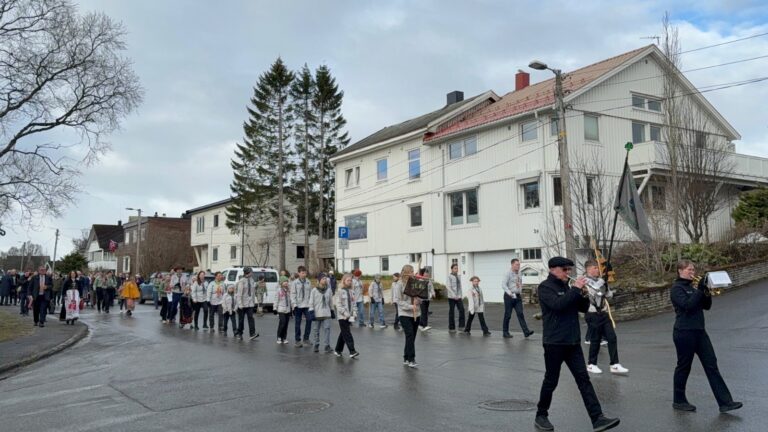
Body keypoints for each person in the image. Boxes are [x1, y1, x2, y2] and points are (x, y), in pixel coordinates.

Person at [534, 256, 619, 432]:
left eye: (569, 270)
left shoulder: (568, 287)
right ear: (553, 269)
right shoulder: (545, 287)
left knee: (584, 380)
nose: (568, 273)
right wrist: (575, 290)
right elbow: (558, 305)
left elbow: (582, 307)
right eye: (565, 270)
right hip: (554, 342)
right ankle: (541, 415)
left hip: (572, 341)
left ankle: (597, 418)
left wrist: (591, 294)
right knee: (551, 380)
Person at [670, 260, 742, 413]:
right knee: (684, 367)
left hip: (700, 332)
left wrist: (706, 291)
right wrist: (699, 290)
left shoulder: (692, 287)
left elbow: (706, 306)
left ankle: (725, 402)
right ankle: (679, 400)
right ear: (680, 270)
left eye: (693, 269)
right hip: (684, 333)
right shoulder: (677, 288)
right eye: (689, 269)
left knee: (711, 365)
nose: (692, 272)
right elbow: (687, 306)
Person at [583, 260, 628, 375]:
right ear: (588, 269)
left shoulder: (601, 282)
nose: (597, 270)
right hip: (592, 314)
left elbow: (608, 295)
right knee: (595, 340)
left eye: (598, 268)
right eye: (595, 268)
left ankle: (615, 364)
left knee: (612, 338)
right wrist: (602, 281)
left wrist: (608, 286)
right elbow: (593, 289)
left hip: (603, 313)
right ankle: (591, 364)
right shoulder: (583, 281)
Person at [393, 264, 421, 368]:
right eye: (411, 271)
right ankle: (411, 359)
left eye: (413, 271)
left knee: (411, 337)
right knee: (409, 335)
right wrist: (410, 306)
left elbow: (421, 296)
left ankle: (405, 356)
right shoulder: (399, 284)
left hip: (416, 313)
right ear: (406, 272)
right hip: (404, 313)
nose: (413, 273)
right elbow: (398, 301)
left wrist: (419, 300)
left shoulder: (415, 283)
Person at [502, 258, 534, 338]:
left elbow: (520, 282)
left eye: (519, 264)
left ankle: (526, 332)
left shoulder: (519, 273)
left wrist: (520, 290)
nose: (518, 266)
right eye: (517, 264)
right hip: (509, 296)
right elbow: (503, 285)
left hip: (517, 296)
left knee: (520, 313)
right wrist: (510, 293)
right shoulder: (507, 273)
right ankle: (505, 332)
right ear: (512, 264)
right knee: (508, 315)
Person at [334, 273, 359, 358]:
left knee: (343, 333)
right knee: (347, 334)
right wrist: (346, 314)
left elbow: (354, 304)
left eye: (351, 280)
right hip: (342, 316)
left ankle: (338, 350)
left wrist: (354, 313)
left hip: (350, 316)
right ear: (343, 281)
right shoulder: (340, 291)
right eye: (348, 280)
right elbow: (338, 305)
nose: (349, 282)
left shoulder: (352, 291)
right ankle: (352, 351)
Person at [309, 275, 334, 353]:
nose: (325, 280)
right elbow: (311, 302)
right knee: (316, 330)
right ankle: (316, 344)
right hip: (317, 313)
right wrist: (311, 311)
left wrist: (332, 310)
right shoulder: (314, 290)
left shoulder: (329, 290)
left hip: (326, 312)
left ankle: (327, 345)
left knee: (327, 329)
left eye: (325, 279)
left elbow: (331, 301)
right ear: (319, 280)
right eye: (323, 279)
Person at [290, 266, 312, 347]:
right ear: (299, 273)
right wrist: (294, 304)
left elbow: (310, 294)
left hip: (306, 305)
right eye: (302, 273)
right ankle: (297, 340)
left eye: (305, 273)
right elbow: (292, 294)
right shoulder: (295, 283)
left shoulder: (308, 282)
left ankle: (306, 338)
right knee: (298, 323)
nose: (304, 274)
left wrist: (311, 304)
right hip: (298, 305)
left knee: (309, 320)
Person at [235, 267, 258, 340]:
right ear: (247, 272)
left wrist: (253, 302)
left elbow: (252, 292)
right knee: (241, 320)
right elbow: (239, 294)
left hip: (250, 303)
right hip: (242, 304)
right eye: (251, 272)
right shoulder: (241, 281)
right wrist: (240, 304)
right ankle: (240, 333)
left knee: (251, 318)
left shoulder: (251, 280)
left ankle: (252, 333)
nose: (252, 273)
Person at [447, 263, 465, 333]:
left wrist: (460, 295)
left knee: (462, 309)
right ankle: (451, 328)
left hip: (458, 297)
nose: (456, 269)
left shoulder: (458, 276)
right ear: (452, 269)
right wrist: (454, 295)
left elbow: (460, 287)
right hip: (452, 297)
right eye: (455, 268)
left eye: (457, 268)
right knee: (452, 312)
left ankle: (461, 326)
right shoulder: (449, 276)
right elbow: (448, 286)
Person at [275, 277, 291, 344]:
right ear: (281, 283)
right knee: (282, 323)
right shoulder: (279, 290)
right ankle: (279, 337)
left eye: (287, 281)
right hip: (281, 309)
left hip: (288, 309)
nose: (286, 283)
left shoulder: (289, 290)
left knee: (286, 324)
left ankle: (284, 337)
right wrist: (275, 308)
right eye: (284, 281)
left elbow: (291, 300)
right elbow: (276, 299)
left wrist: (292, 308)